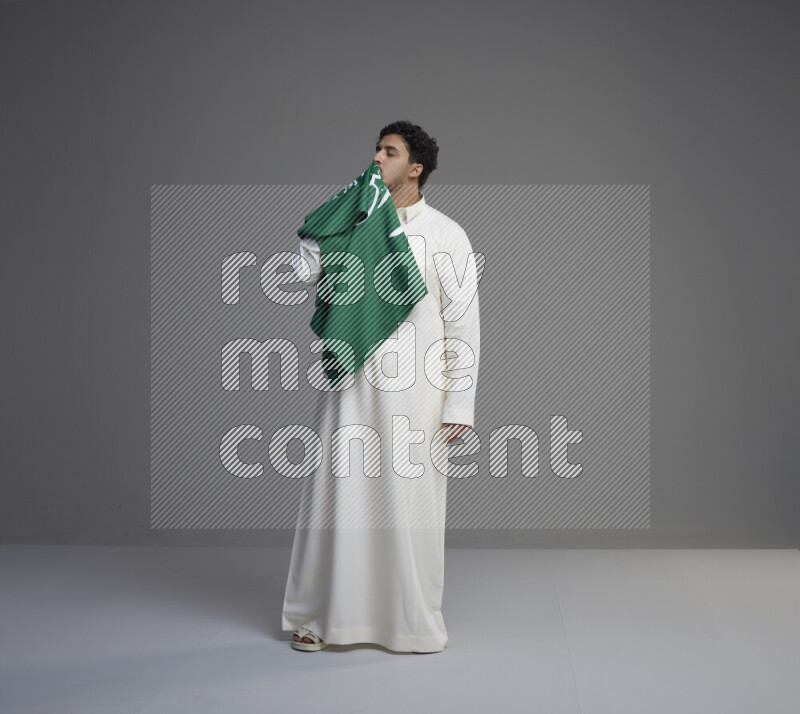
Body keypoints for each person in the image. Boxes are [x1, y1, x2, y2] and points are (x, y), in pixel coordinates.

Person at [282, 120, 481, 653]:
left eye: (388, 152)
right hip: (350, 382)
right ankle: (322, 617)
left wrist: (459, 402)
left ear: (415, 169)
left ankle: (407, 622)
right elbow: (301, 271)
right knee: (338, 495)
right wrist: (336, 216)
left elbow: (463, 322)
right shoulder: (355, 220)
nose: (376, 158)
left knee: (407, 502)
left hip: (417, 391)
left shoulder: (446, 234)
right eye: (375, 149)